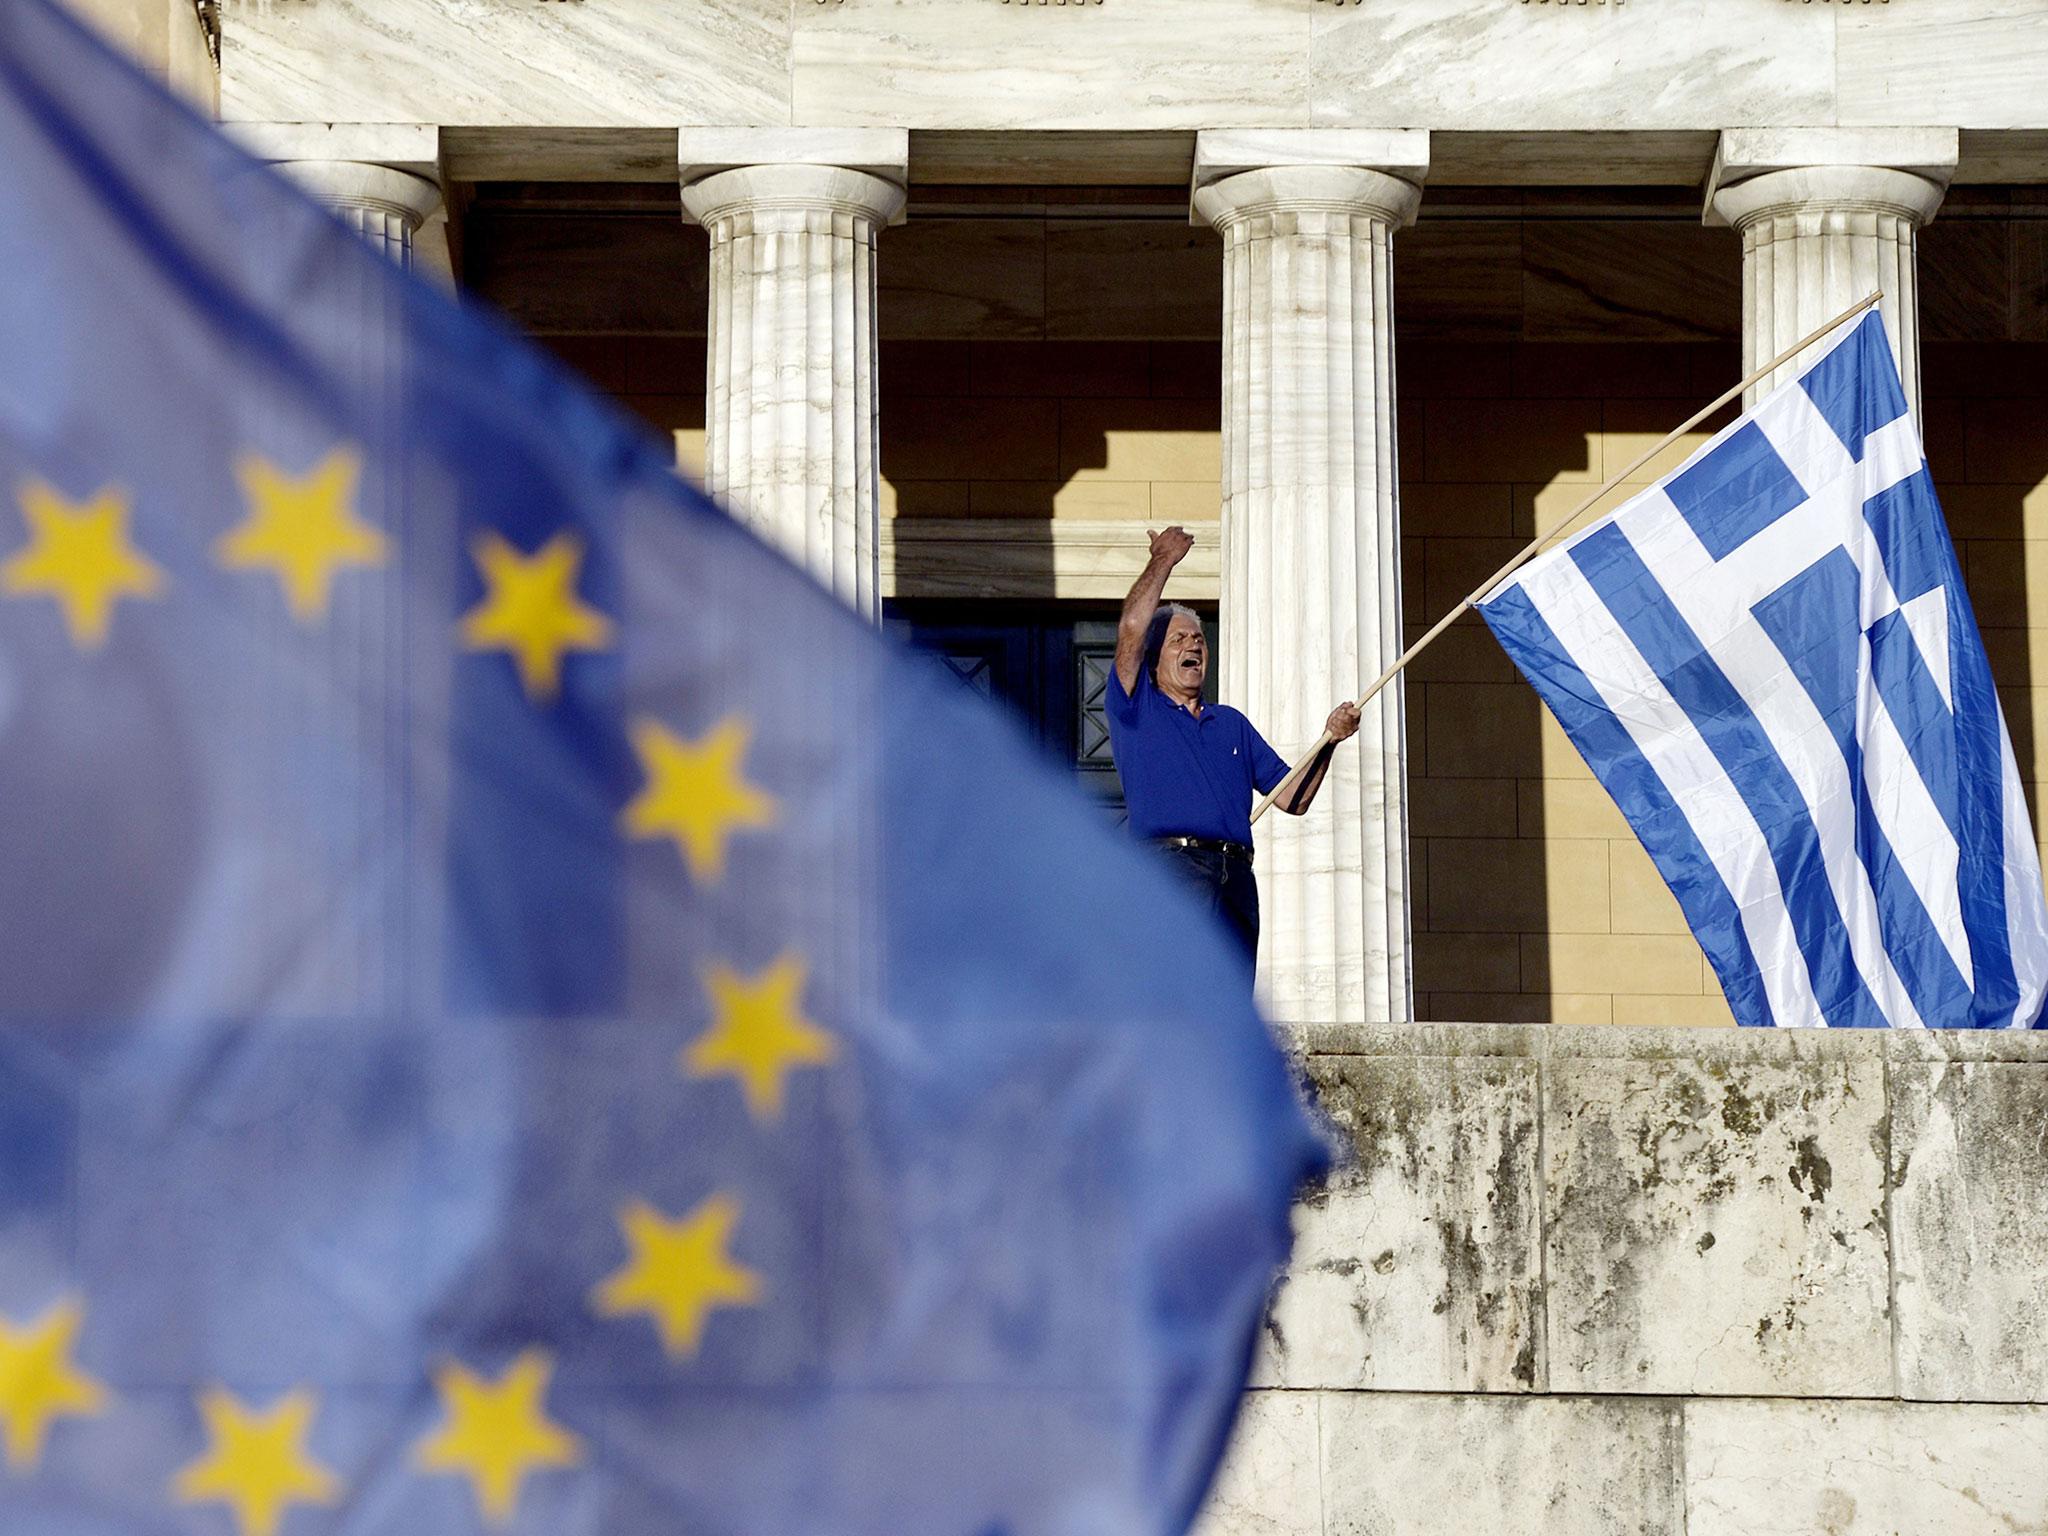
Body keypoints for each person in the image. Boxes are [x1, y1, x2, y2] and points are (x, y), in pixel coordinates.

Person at [1106, 525, 1360, 967]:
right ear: (1153, 660)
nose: (1193, 645)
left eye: (1199, 639)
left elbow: (1292, 797)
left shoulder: (1232, 724)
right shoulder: (1136, 709)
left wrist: (1330, 741)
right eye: (1178, 639)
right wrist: (1162, 560)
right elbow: (1131, 629)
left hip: (1236, 876)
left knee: (1231, 1003)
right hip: (1171, 871)